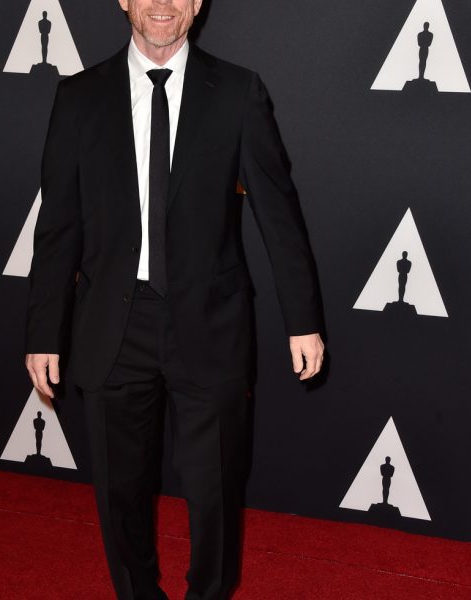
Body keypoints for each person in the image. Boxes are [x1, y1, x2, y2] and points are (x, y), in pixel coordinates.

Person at [25, 1, 325, 598]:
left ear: (197, 3)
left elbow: (279, 215)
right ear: (124, 0)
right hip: (113, 324)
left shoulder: (238, 92)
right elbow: (58, 225)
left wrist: (303, 320)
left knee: (215, 492)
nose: (162, 5)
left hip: (211, 322)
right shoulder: (80, 96)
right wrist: (42, 332)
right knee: (120, 494)